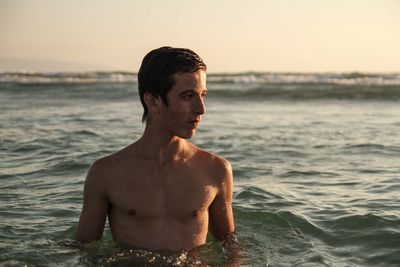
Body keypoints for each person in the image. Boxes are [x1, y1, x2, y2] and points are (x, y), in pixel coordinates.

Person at [75, 46, 236, 252]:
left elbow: (230, 248)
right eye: (188, 96)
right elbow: (82, 250)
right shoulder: (106, 173)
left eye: (202, 95)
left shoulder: (216, 170)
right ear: (153, 102)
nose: (201, 109)